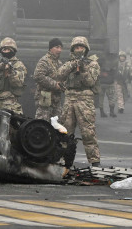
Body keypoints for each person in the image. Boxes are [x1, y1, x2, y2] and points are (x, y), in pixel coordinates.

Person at [57, 36, 101, 167]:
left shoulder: (93, 64)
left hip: (85, 99)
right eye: (76, 47)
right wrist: (72, 65)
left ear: (86, 49)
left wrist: (82, 69)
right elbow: (59, 75)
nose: (79, 49)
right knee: (65, 132)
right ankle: (65, 161)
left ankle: (94, 161)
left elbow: (90, 81)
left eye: (81, 47)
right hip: (69, 98)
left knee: (88, 132)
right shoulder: (69, 63)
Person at [0, 37, 27, 115]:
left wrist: (10, 72)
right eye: (4, 49)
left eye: (8, 50)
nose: (6, 51)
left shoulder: (18, 65)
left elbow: (18, 83)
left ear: (13, 51)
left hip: (9, 103)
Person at [33, 38, 64, 121]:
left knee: (57, 125)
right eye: (57, 47)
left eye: (61, 48)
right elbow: (38, 76)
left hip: (56, 99)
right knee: (43, 123)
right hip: (45, 97)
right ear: (51, 48)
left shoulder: (59, 63)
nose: (59, 50)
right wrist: (55, 85)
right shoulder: (44, 61)